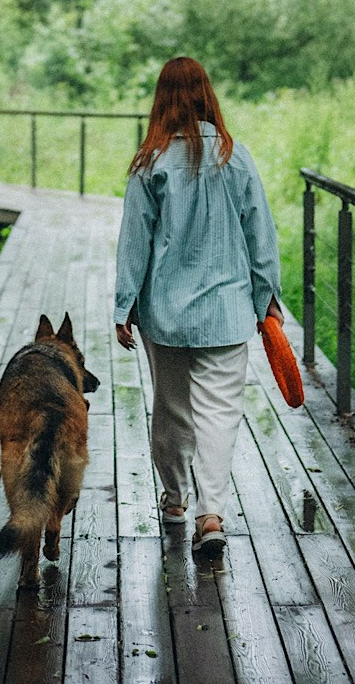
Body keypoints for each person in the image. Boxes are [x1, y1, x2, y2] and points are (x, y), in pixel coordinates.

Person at [114, 56, 283, 555]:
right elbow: (260, 235)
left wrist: (124, 306)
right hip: (228, 311)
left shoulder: (150, 162)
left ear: (161, 100)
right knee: (219, 413)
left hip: (165, 312)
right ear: (208, 95)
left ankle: (174, 501)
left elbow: (134, 241)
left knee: (171, 408)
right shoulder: (236, 156)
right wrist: (266, 299)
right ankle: (211, 514)